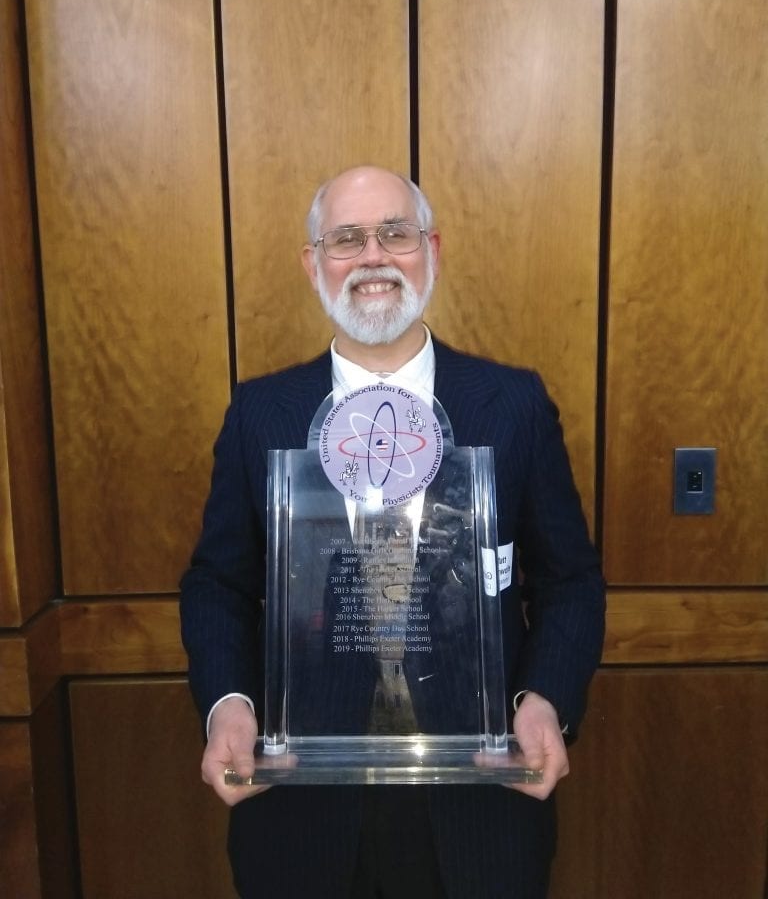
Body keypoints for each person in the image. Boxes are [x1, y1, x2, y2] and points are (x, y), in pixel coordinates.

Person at [180, 166, 605, 899]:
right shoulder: (261, 414)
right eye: (345, 238)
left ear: (430, 249)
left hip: (481, 801)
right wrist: (229, 706)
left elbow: (569, 583)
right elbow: (218, 584)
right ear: (314, 264)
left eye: (395, 233)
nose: (372, 256)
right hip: (301, 808)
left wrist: (546, 700)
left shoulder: (513, 405)